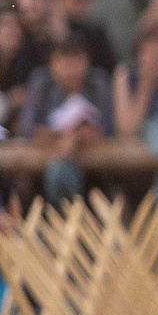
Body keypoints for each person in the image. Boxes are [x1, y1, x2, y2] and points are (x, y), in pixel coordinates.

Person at [15, 32, 112, 203]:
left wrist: (72, 138)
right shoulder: (40, 82)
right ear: (53, 63)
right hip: (42, 172)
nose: (72, 71)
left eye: (77, 63)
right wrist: (66, 137)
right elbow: (28, 129)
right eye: (66, 63)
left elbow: (107, 131)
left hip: (96, 176)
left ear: (87, 61)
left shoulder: (98, 82)